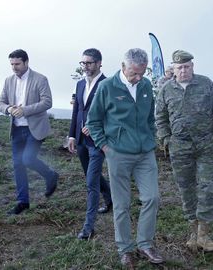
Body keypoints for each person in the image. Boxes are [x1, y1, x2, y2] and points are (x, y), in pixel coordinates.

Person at [86, 48, 164, 268]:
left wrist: (151, 137)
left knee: (152, 198)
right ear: (123, 66)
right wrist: (105, 147)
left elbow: (150, 116)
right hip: (118, 154)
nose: (138, 78)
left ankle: (145, 244)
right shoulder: (106, 87)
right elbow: (93, 121)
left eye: (141, 73)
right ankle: (125, 249)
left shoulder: (147, 85)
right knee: (121, 204)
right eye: (134, 73)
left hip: (145, 153)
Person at [155, 50, 213, 252]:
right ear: (174, 68)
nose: (183, 70)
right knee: (186, 190)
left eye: (187, 66)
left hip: (205, 146)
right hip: (179, 147)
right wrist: (166, 140)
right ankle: (193, 232)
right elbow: (160, 117)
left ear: (192, 66)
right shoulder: (166, 89)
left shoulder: (205, 84)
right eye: (179, 67)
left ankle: (204, 235)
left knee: (207, 188)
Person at [0, 49, 59, 215]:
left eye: (17, 64)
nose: (14, 67)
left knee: (28, 159)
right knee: (18, 165)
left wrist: (25, 110)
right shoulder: (8, 81)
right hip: (16, 129)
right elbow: (0, 103)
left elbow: (47, 102)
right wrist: (9, 108)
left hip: (35, 128)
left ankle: (51, 175)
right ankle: (23, 202)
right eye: (12, 64)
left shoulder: (40, 79)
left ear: (26, 62)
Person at [68, 48, 112, 240]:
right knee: (90, 175)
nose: (85, 67)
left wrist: (96, 128)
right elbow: (77, 111)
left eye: (89, 63)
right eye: (83, 63)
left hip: (97, 142)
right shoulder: (79, 84)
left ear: (99, 63)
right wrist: (71, 136)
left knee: (91, 182)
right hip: (80, 141)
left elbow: (112, 115)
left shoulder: (109, 84)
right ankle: (110, 199)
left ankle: (88, 227)